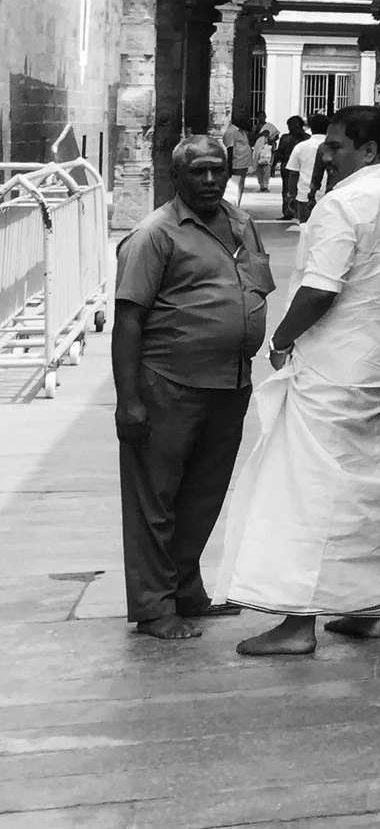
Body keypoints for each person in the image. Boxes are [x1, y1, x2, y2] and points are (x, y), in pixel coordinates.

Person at [226, 106, 380, 656]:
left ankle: (298, 624)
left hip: (333, 370)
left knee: (305, 490)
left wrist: (281, 338)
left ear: (368, 151)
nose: (326, 153)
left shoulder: (345, 204)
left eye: (337, 146)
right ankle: (365, 608)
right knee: (366, 483)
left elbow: (321, 288)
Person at [111, 135, 276, 640]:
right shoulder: (154, 234)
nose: (209, 180)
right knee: (154, 500)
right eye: (198, 171)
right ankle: (154, 608)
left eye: (216, 171)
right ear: (177, 177)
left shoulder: (241, 222)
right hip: (168, 384)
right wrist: (129, 400)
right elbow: (128, 321)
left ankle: (186, 589)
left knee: (203, 494)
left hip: (229, 382)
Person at [275, 116, 309, 219]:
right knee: (288, 189)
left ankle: (293, 211)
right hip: (289, 167)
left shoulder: (306, 138)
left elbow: (279, 152)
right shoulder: (286, 138)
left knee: (298, 189)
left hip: (298, 167)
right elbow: (279, 152)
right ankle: (289, 211)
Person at [219, 113, 254, 205]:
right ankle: (233, 205)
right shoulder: (231, 132)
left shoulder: (241, 132)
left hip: (243, 163)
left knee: (240, 185)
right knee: (235, 186)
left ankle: (237, 204)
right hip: (236, 163)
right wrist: (229, 167)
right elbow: (230, 149)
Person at [251, 112, 277, 193]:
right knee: (258, 168)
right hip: (257, 148)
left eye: (263, 116)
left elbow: (276, 136)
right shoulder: (256, 127)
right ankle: (261, 185)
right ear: (258, 117)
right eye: (260, 116)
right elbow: (251, 137)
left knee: (266, 167)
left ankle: (265, 185)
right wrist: (260, 135)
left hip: (267, 149)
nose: (262, 117)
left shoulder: (269, 126)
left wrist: (270, 140)